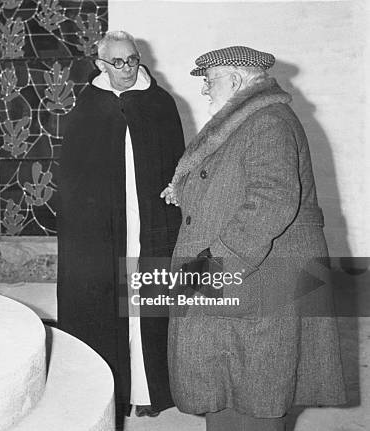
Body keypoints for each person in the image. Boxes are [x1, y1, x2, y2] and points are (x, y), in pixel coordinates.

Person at [161, 46, 346, 431]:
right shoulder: (249, 121)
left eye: (210, 81)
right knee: (232, 386)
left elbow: (273, 199)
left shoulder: (267, 123)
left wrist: (216, 263)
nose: (205, 91)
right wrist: (190, 189)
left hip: (257, 279)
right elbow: (238, 182)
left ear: (235, 79)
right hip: (248, 278)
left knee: (255, 394)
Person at [57, 30, 184, 423]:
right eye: (118, 62)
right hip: (101, 228)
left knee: (147, 302)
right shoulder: (87, 108)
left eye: (132, 59)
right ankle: (110, 390)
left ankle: (148, 391)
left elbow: (178, 165)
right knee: (104, 302)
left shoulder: (160, 103)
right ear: (100, 65)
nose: (127, 68)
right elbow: (75, 176)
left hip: (149, 223)